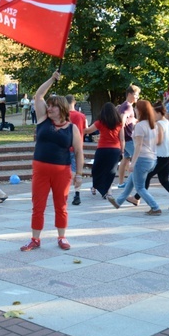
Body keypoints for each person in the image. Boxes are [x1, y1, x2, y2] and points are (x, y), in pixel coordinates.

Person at [21, 71, 84, 252]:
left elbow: (79, 152)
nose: (49, 109)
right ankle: (35, 239)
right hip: (40, 170)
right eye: (48, 106)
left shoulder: (72, 129)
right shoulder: (43, 120)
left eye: (53, 106)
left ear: (62, 108)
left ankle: (62, 237)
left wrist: (79, 174)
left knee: (61, 205)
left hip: (62, 172)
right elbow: (38, 95)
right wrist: (52, 79)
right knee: (38, 205)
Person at [107, 100, 163, 215]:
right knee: (131, 181)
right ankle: (118, 202)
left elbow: (138, 146)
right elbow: (156, 142)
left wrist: (133, 162)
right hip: (152, 159)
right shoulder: (153, 125)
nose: (135, 110)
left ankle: (155, 207)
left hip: (142, 160)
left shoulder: (140, 126)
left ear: (141, 110)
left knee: (139, 188)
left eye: (136, 108)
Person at [129, 103, 169, 211]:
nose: (152, 115)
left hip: (161, 156)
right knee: (164, 180)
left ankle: (137, 198)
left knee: (148, 176)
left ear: (159, 113)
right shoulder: (167, 122)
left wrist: (147, 140)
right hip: (168, 155)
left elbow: (159, 141)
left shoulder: (159, 124)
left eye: (153, 113)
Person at [83, 102, 124, 199]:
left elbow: (88, 131)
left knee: (97, 168)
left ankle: (95, 186)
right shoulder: (119, 123)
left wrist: (83, 124)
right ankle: (108, 190)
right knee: (111, 170)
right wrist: (122, 151)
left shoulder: (100, 122)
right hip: (115, 149)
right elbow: (122, 139)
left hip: (102, 148)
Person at [66, 94, 88, 206]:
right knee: (76, 171)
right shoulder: (82, 116)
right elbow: (85, 130)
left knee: (66, 171)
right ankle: (77, 193)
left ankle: (65, 193)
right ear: (74, 102)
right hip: (78, 147)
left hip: (65, 147)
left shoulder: (63, 116)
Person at [116, 85, 140, 187]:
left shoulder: (124, 105)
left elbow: (128, 120)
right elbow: (122, 120)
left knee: (125, 159)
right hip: (128, 138)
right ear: (130, 94)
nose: (137, 97)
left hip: (125, 138)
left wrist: (136, 121)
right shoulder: (128, 106)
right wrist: (122, 139)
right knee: (137, 158)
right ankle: (131, 182)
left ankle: (121, 183)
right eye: (136, 95)